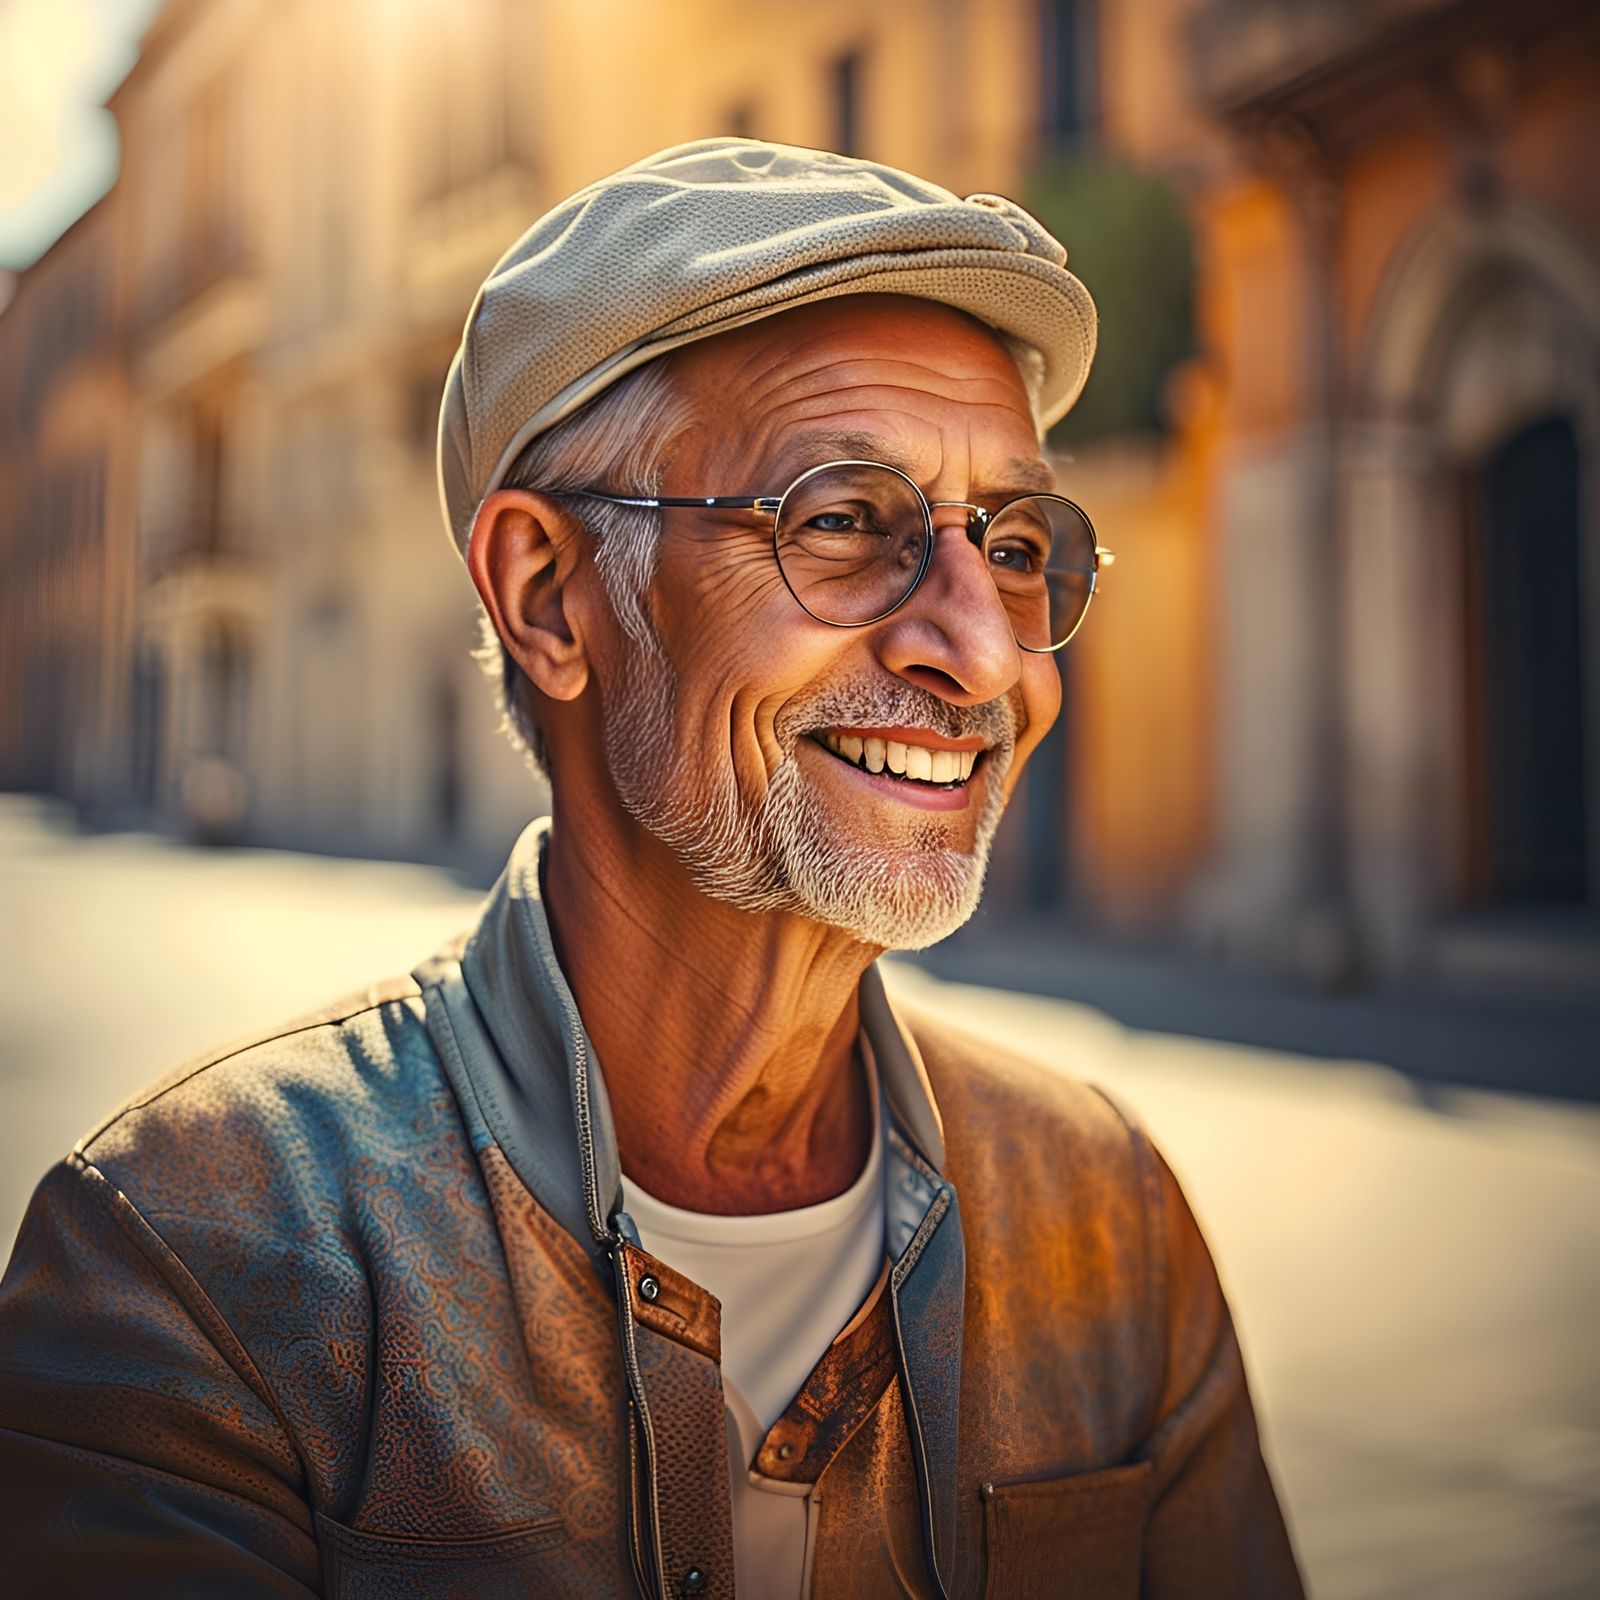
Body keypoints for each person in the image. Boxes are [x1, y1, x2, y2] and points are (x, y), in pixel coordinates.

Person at [0, 139, 1303, 1598]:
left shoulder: (1102, 1215)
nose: (985, 650)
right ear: (550, 597)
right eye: (839, 522)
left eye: (1012, 542)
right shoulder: (196, 1257)